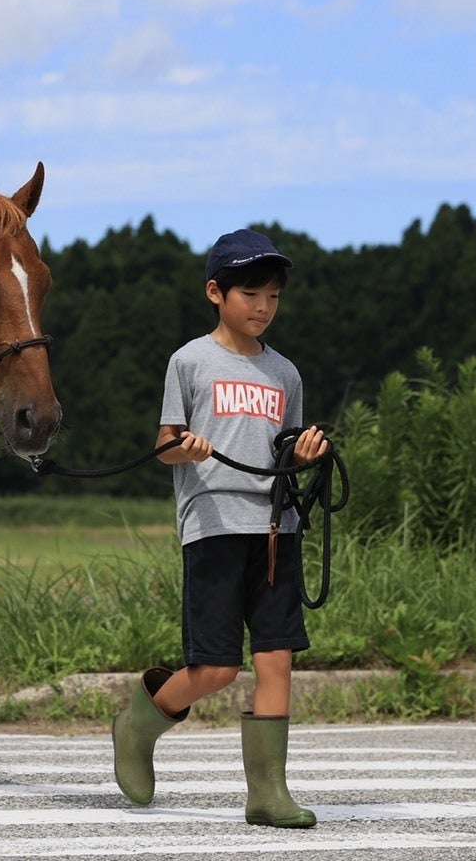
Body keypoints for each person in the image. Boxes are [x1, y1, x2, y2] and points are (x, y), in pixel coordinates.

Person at [111, 228, 331, 828]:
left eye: (273, 297)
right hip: (211, 527)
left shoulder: (286, 373)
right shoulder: (189, 361)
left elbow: (285, 448)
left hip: (274, 529)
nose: (262, 307)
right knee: (215, 669)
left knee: (276, 660)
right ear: (216, 292)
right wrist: (186, 448)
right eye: (250, 293)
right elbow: (164, 448)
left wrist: (307, 455)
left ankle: (267, 794)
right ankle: (139, 722)